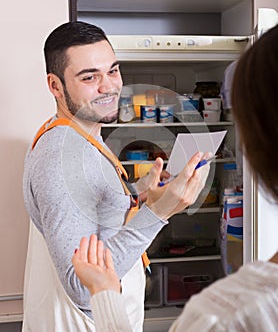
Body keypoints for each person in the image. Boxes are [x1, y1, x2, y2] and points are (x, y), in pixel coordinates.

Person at [72, 24, 278, 331]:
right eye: (90, 76)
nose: (107, 87)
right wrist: (140, 194)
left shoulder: (228, 314)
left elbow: (77, 285)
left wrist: (103, 293)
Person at [22, 21, 211, 332]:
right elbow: (83, 288)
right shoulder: (62, 158)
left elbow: (87, 210)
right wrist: (158, 212)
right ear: (55, 86)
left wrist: (138, 194)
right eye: (89, 77)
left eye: (112, 71)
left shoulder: (76, 136)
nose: (108, 86)